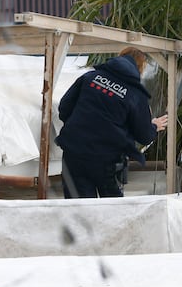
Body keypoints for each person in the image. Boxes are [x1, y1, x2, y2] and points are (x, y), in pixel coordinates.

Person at [56, 47, 168, 198]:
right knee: (112, 206)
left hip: (74, 150)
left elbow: (64, 108)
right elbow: (144, 136)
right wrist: (153, 126)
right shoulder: (135, 93)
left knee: (78, 205)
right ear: (140, 67)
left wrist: (82, 126)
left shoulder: (90, 77)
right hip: (106, 158)